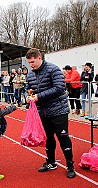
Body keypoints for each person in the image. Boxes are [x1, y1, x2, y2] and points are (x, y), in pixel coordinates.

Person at [25, 48, 76, 178]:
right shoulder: (30, 74)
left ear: (39, 58)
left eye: (33, 62)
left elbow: (59, 88)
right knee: (48, 138)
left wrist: (39, 97)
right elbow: (28, 88)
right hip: (42, 112)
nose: (31, 65)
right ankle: (51, 162)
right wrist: (28, 96)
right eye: (29, 63)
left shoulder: (53, 69)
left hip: (58, 110)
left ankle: (70, 165)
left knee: (63, 137)